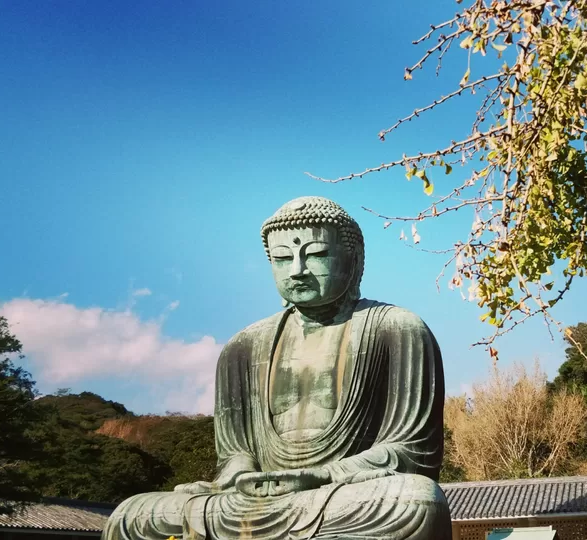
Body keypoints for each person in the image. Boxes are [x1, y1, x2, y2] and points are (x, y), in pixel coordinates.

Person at [102, 197, 452, 540]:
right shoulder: (243, 346)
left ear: (354, 260)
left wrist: (322, 475)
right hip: (254, 502)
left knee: (417, 502)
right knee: (130, 516)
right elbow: (236, 454)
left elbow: (411, 451)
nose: (297, 269)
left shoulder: (396, 328)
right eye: (282, 258)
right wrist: (239, 474)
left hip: (343, 493)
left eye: (316, 254)